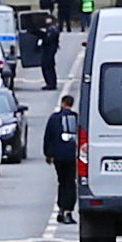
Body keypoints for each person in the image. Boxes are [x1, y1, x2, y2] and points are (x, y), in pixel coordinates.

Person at [43, 94, 80, 224]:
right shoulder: (77, 118)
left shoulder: (54, 118)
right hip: (72, 155)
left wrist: (48, 154)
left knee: (62, 182)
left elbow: (48, 137)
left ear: (62, 103)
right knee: (70, 183)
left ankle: (61, 209)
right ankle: (68, 210)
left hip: (59, 156)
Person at [39, 16, 62, 90]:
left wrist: (43, 40)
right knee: (48, 66)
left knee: (48, 66)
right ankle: (50, 83)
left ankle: (51, 83)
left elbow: (49, 39)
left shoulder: (52, 29)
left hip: (49, 50)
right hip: (49, 49)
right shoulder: (51, 28)